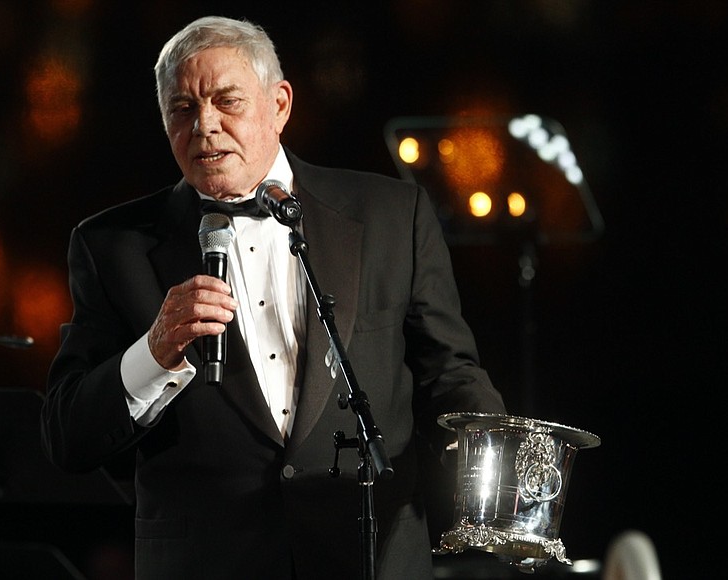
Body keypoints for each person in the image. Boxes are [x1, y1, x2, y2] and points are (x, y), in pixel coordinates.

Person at [41, 15, 505, 580]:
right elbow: (67, 434)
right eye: (182, 108)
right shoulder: (112, 246)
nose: (204, 125)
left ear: (280, 104)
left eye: (226, 101)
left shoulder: (390, 214)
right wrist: (152, 352)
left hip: (368, 555)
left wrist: (487, 455)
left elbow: (448, 373)